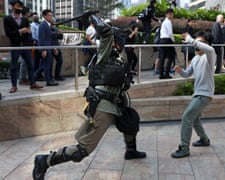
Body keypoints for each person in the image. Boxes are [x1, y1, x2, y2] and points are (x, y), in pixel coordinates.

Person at [32, 15, 146, 180]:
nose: (122, 41)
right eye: (119, 38)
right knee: (83, 150)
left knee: (131, 122)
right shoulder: (105, 53)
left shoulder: (120, 57)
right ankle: (45, 161)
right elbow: (105, 33)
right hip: (103, 105)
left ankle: (131, 151)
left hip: (116, 101)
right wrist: (95, 18)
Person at [171, 31, 216, 158]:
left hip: (205, 94)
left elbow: (208, 48)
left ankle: (184, 148)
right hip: (198, 93)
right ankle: (204, 139)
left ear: (207, 44)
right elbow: (187, 74)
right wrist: (180, 71)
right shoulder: (195, 59)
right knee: (194, 118)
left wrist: (191, 39)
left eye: (201, 43)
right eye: (197, 42)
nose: (197, 45)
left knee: (187, 117)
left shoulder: (210, 55)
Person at [3, 0, 43, 93]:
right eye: (17, 6)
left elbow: (28, 33)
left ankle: (33, 83)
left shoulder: (25, 19)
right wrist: (20, 31)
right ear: (12, 7)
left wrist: (29, 33)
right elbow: (8, 33)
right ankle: (14, 86)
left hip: (25, 46)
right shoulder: (7, 19)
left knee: (30, 65)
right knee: (13, 66)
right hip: (15, 46)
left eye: (20, 7)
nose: (19, 8)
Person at [35, 9, 58, 86]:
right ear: (44, 16)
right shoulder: (42, 25)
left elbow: (49, 38)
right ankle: (48, 81)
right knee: (47, 65)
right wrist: (43, 50)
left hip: (49, 48)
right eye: (49, 15)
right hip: (45, 48)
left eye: (51, 15)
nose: (51, 17)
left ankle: (49, 79)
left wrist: (54, 48)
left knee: (48, 65)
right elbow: (41, 39)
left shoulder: (48, 25)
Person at [158, 8, 175, 79]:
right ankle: (167, 73)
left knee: (162, 57)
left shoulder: (164, 22)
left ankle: (161, 74)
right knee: (171, 57)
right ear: (167, 15)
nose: (171, 16)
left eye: (172, 14)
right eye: (170, 14)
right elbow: (170, 33)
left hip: (162, 40)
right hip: (167, 40)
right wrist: (173, 40)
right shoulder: (168, 22)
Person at [30, 12, 42, 78]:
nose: (36, 18)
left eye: (37, 16)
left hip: (40, 43)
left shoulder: (39, 25)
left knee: (39, 60)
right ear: (32, 18)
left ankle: (38, 74)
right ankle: (35, 75)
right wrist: (34, 42)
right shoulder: (32, 25)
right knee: (35, 60)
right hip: (35, 43)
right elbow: (33, 35)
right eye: (35, 17)